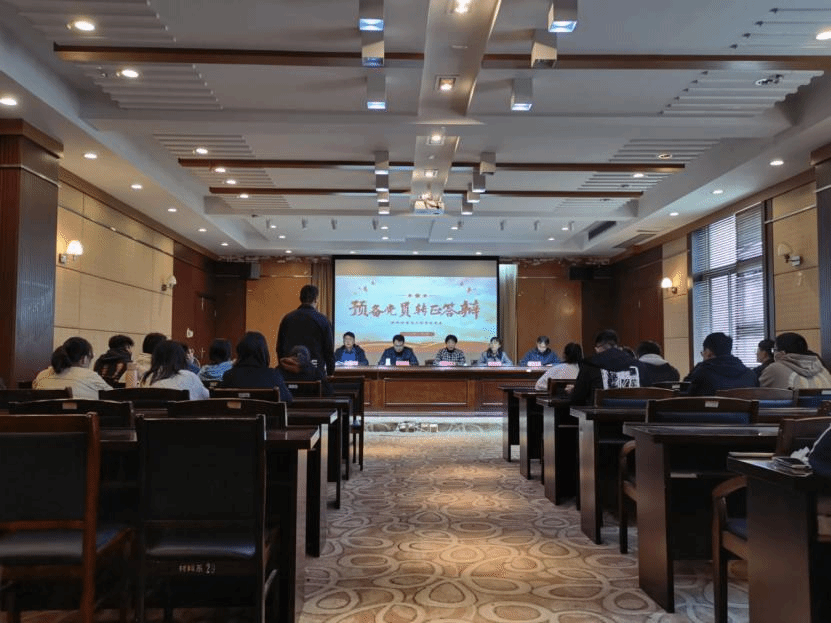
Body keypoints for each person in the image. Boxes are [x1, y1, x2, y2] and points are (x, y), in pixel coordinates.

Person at [570, 329, 649, 405]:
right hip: (636, 413)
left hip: (600, 413)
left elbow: (577, 399)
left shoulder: (590, 365)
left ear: (598, 347)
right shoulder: (639, 366)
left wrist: (572, 391)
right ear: (616, 345)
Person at [277, 284, 335, 377]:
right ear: (316, 299)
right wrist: (330, 372)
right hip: (315, 372)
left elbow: (280, 348)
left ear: (300, 298)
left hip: (290, 372)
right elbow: (329, 350)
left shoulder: (288, 318)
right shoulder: (323, 320)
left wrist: (284, 367)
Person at [219, 331, 293, 403]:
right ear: (263, 352)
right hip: (265, 411)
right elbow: (288, 400)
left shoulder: (228, 376)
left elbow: (218, 401)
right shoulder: (273, 376)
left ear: (239, 351)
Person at [33, 336, 111, 399]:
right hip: (82, 414)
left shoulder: (42, 375)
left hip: (43, 414)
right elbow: (113, 396)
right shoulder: (90, 376)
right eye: (91, 357)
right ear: (84, 359)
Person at [684, 332, 758, 396]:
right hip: (741, 408)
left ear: (709, 353)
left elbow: (688, 398)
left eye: (703, 353)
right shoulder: (751, 375)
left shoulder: (703, 373)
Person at [140, 340, 209, 400]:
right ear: (181, 357)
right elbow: (205, 396)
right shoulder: (190, 376)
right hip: (184, 411)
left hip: (155, 411)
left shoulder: (147, 378)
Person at [759, 332, 831, 389]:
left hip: (793, 404)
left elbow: (759, 393)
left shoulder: (774, 369)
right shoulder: (822, 368)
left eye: (774, 350)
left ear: (781, 354)